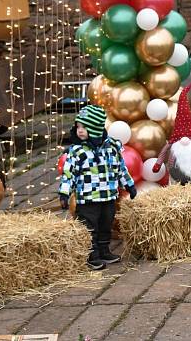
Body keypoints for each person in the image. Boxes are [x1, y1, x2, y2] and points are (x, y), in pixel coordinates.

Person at [59, 104, 137, 270]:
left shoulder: (112, 148)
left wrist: (129, 184)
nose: (79, 130)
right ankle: (91, 255)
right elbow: (68, 173)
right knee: (89, 227)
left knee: (105, 224)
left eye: (84, 127)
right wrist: (64, 193)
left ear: (95, 128)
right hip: (88, 199)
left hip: (108, 196)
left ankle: (104, 250)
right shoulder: (77, 151)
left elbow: (120, 168)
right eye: (78, 126)